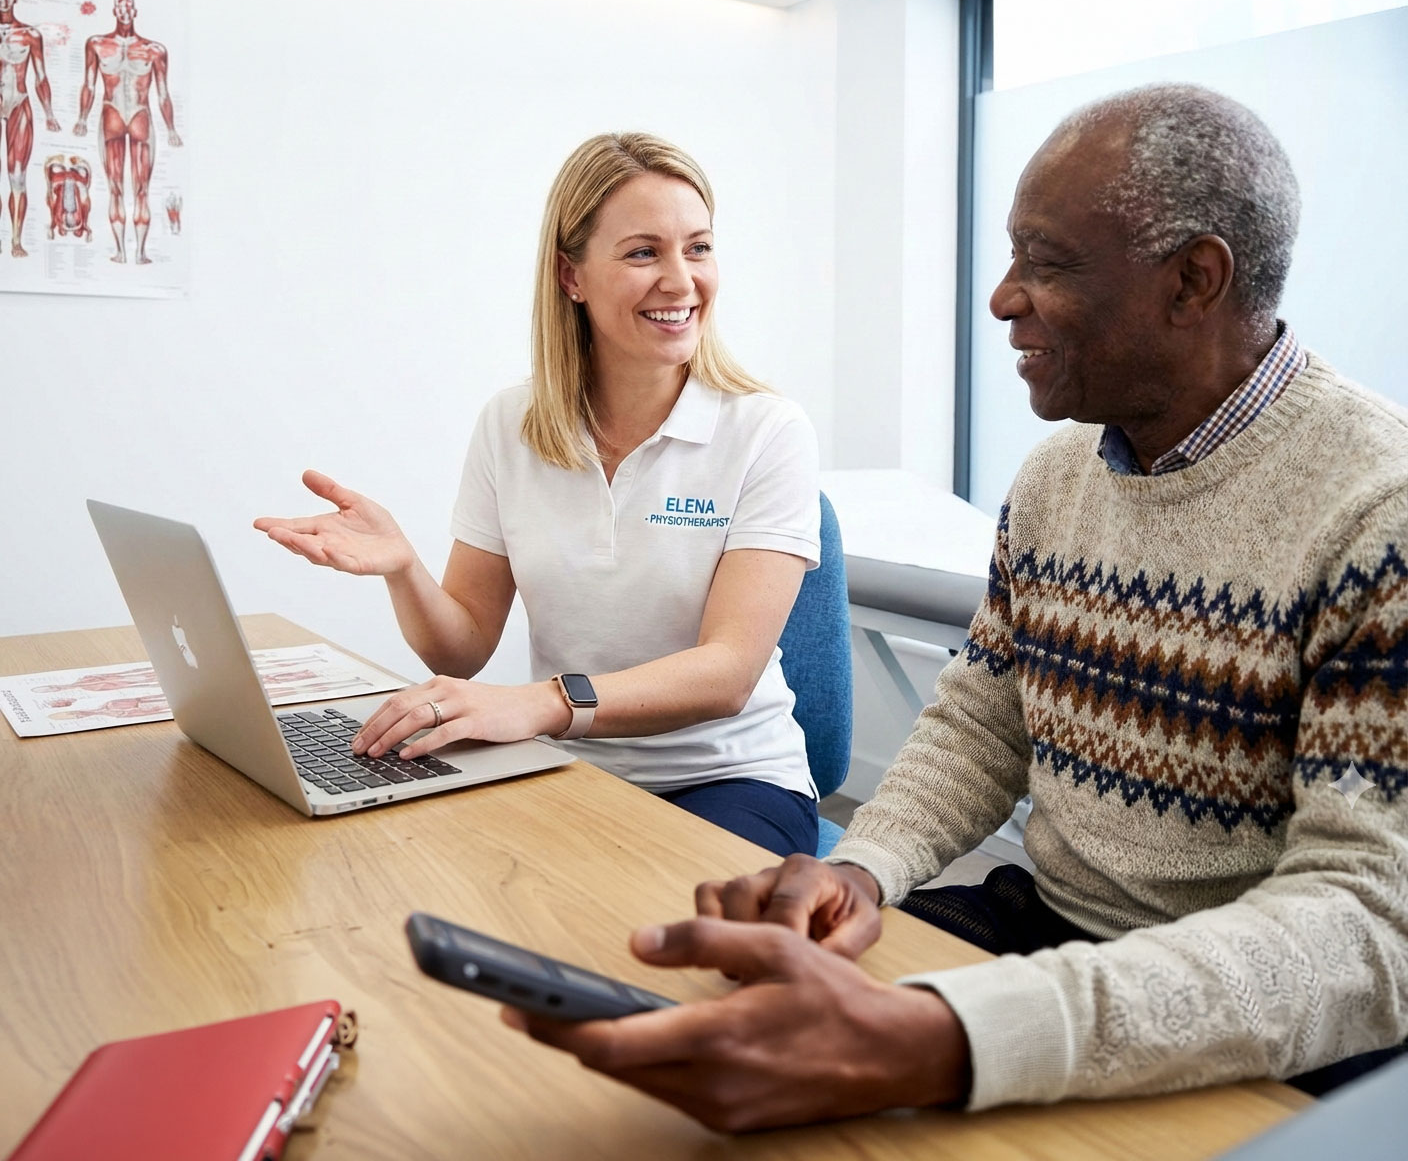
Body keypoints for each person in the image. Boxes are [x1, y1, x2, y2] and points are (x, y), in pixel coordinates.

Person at [508, 85, 1408, 1129]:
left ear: (1192, 280)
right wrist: (857, 871)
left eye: (1048, 262)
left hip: (1258, 1012)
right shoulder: (1058, 477)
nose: (1001, 298)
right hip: (1050, 929)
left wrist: (954, 1033)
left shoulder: (1375, 510)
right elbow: (981, 723)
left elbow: (1366, 927)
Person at [255, 133, 822, 855]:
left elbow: (728, 673)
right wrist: (403, 568)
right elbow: (459, 648)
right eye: (644, 252)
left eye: (699, 248)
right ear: (571, 277)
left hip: (729, 780)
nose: (681, 281)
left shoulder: (767, 430)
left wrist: (540, 705)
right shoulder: (511, 425)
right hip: (561, 767)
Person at [73, 0, 182, 265]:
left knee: (142, 187)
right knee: (115, 186)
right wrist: (82, 118)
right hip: (111, 114)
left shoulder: (154, 50)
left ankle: (141, 251)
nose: (123, 9)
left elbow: (163, 92)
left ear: (134, 12)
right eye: (119, 5)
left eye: (128, 5)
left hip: (140, 115)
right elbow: (89, 83)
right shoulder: (97, 44)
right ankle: (120, 251)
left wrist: (171, 129)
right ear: (114, 11)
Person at [0, 0, 62, 257]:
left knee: (17, 176)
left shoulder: (29, 35)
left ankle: (15, 240)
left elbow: (40, 76)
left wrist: (49, 112)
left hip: (20, 104)